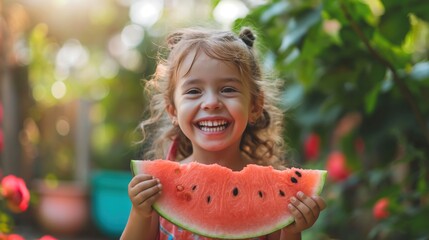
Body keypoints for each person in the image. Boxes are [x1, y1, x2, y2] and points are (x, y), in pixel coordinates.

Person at [121, 26, 326, 240]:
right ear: (173, 109)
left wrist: (291, 230)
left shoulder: (275, 191)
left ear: (255, 106)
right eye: (193, 91)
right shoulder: (160, 187)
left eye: (228, 89)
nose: (211, 103)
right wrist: (140, 213)